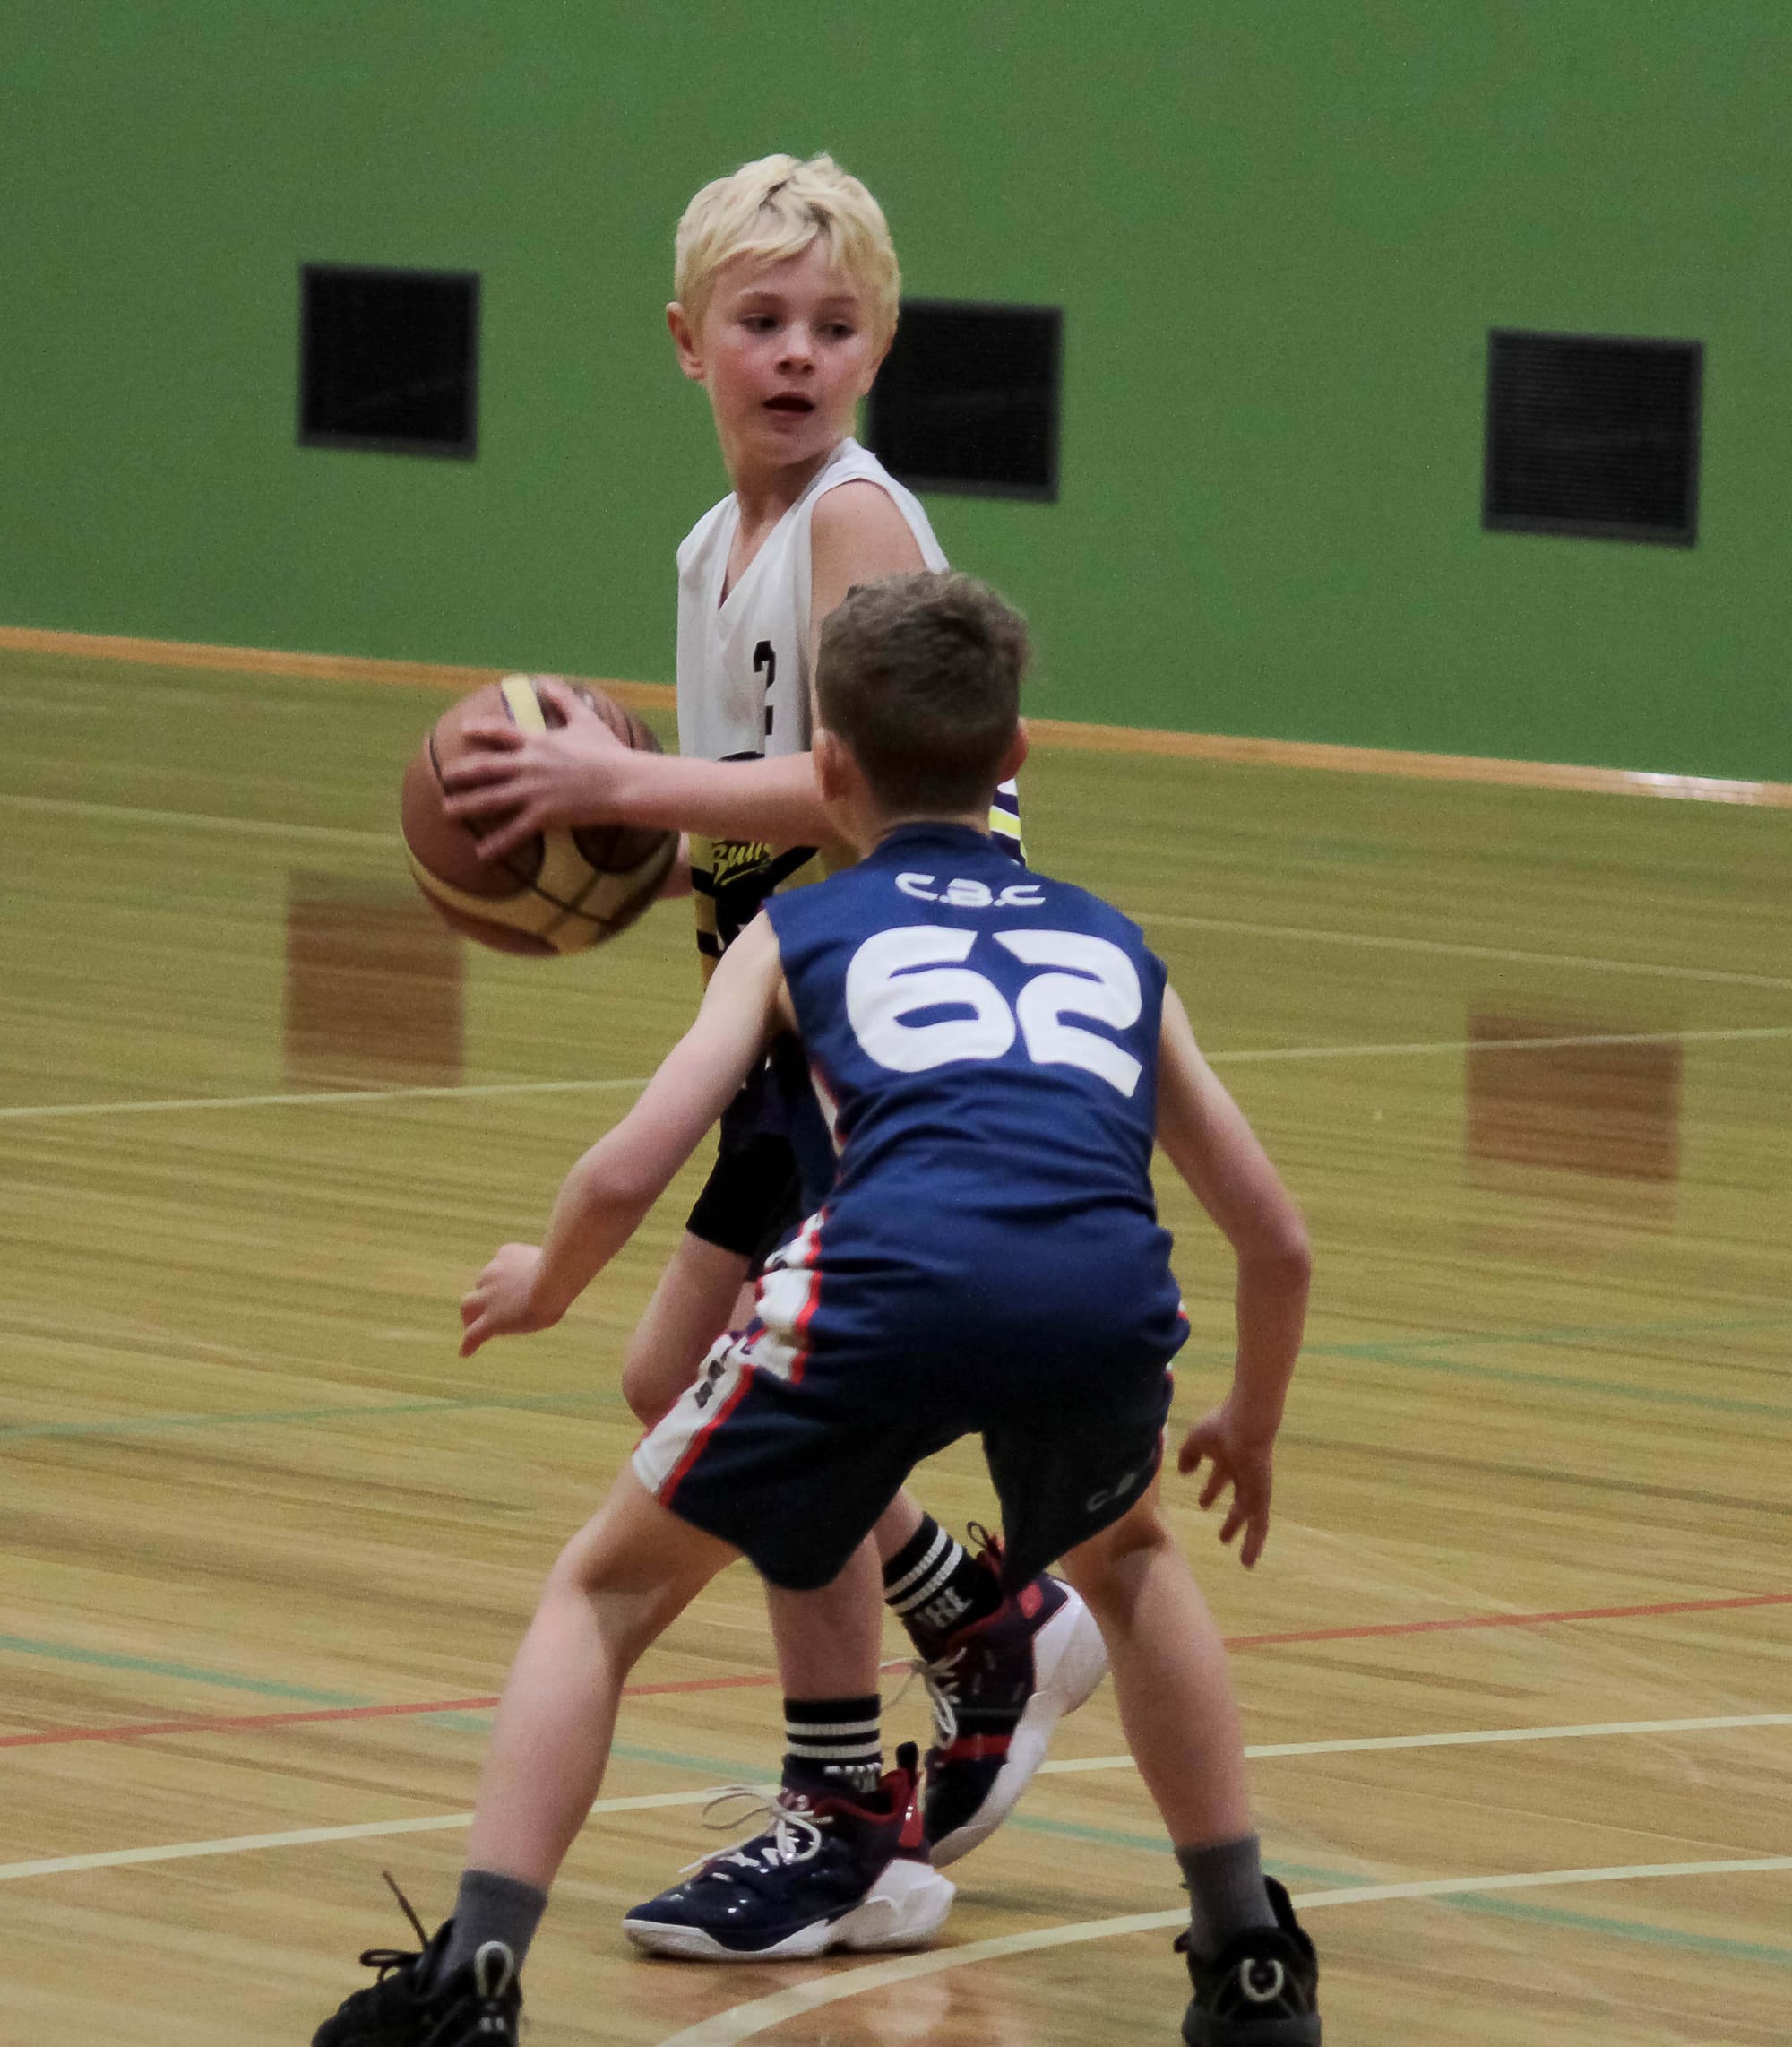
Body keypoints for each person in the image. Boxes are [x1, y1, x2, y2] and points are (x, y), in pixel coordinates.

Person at [312, 572, 1322, 2047]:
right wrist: (1253, 1420)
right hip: (1100, 1294)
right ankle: (1248, 1956)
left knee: (601, 1594)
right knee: (1136, 1564)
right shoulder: (1115, 943)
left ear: (826, 768)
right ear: (1016, 755)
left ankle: (471, 1976)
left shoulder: (799, 932)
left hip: (884, 1283)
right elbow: (1277, 1239)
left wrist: (548, 1281)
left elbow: (630, 1162)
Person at [437, 150, 1101, 1922]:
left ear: (876, 348)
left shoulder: (853, 525)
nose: (796, 351)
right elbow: (758, 819)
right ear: (688, 343)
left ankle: (844, 1810)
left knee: (779, 1409)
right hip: (789, 1013)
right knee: (679, 1378)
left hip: (893, 1020)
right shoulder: (708, 546)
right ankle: (980, 1615)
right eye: (760, 321)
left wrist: (613, 788)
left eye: (832, 323)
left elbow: (846, 790)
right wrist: (615, 860)